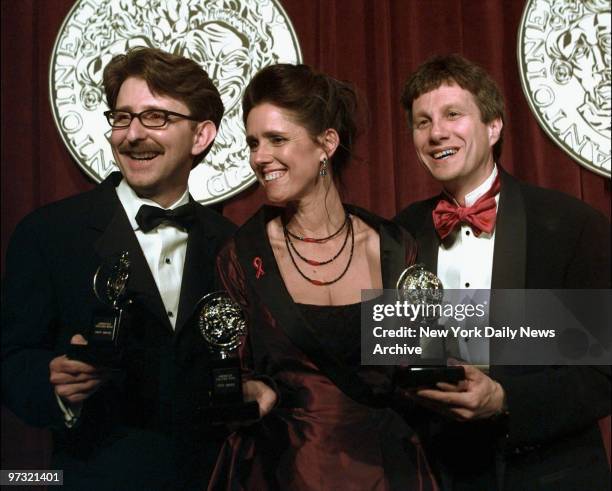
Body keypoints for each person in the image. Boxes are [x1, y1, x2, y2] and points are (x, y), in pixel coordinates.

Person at [1, 47, 244, 490]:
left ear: (201, 135)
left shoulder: (233, 244)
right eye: (121, 117)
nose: (132, 134)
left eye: (155, 118)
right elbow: (11, 358)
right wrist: (52, 380)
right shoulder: (48, 233)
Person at [209, 63, 438, 490]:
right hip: (283, 472)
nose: (260, 156)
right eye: (253, 142)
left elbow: (413, 369)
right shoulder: (242, 256)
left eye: (277, 139)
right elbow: (228, 374)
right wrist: (247, 392)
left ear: (326, 143)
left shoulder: (392, 246)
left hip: (389, 471)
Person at [394, 54, 611, 490]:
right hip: (441, 474)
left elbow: (602, 372)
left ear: (493, 127)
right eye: (422, 121)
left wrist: (504, 399)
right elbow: (391, 362)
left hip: (551, 473)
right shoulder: (398, 235)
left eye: (453, 114)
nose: (437, 133)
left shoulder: (571, 223)